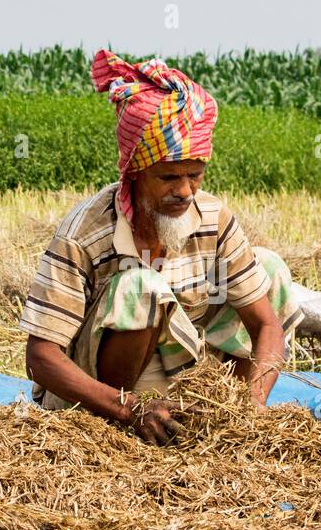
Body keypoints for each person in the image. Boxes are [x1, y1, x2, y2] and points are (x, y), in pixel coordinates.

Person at [19, 50, 303, 445]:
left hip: (178, 381)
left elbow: (267, 325)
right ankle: (118, 427)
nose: (185, 191)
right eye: (169, 177)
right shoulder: (85, 234)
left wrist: (250, 410)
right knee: (141, 287)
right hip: (100, 397)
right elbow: (41, 358)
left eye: (195, 175)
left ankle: (219, 416)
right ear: (134, 172)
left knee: (269, 269)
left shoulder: (212, 219)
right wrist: (128, 408)